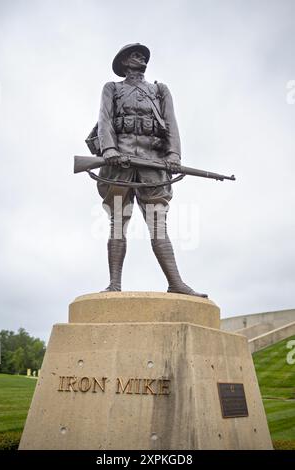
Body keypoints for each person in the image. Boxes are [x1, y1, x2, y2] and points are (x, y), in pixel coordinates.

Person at [96, 43, 207, 297]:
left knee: (158, 227)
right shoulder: (111, 88)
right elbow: (104, 120)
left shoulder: (160, 90)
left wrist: (174, 154)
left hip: (152, 165)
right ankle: (114, 284)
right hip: (118, 165)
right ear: (124, 63)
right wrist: (109, 150)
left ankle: (175, 282)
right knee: (117, 224)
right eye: (134, 55)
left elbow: (172, 123)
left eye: (143, 55)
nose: (141, 58)